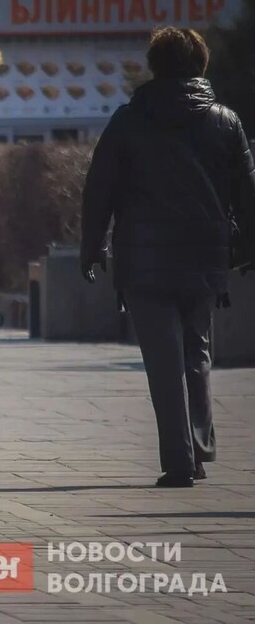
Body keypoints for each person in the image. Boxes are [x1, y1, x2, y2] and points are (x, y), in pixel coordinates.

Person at [81, 27, 255, 488]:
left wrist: (92, 245)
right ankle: (199, 446)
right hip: (205, 257)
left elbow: (100, 189)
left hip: (144, 259)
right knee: (196, 352)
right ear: (200, 64)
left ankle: (180, 461)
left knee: (163, 359)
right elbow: (247, 191)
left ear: (155, 66)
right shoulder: (225, 120)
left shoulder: (128, 119)